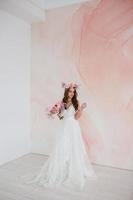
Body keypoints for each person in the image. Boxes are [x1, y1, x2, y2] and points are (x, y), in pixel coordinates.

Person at [24, 82, 97, 190]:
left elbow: (76, 117)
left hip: (73, 127)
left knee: (73, 147)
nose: (72, 93)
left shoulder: (76, 102)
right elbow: (61, 117)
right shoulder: (61, 102)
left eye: (73, 92)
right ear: (66, 91)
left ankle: (74, 170)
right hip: (64, 127)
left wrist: (81, 108)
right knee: (62, 147)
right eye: (70, 91)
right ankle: (61, 169)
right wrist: (55, 112)